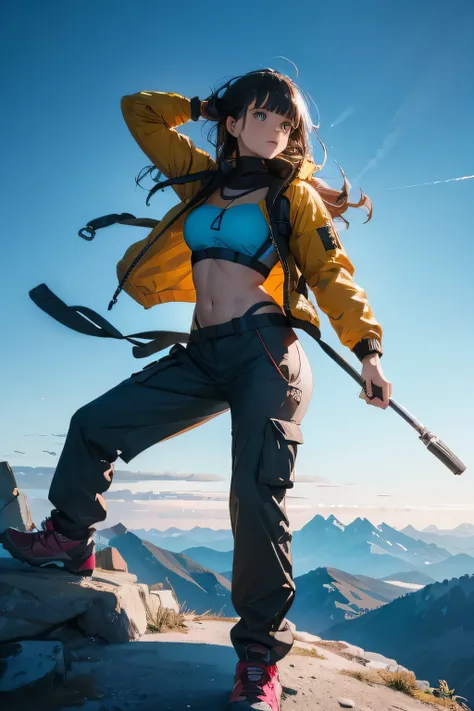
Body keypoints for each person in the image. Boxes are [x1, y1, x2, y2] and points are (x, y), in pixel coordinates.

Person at [1, 68, 391, 710]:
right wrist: (209, 105)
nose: (278, 130)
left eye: (286, 122)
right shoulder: (201, 173)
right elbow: (139, 110)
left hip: (267, 354)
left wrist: (368, 351)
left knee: (256, 496)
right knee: (94, 423)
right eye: (262, 115)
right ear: (235, 122)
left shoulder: (294, 195)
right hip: (204, 353)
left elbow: (332, 273)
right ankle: (69, 540)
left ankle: (259, 660)